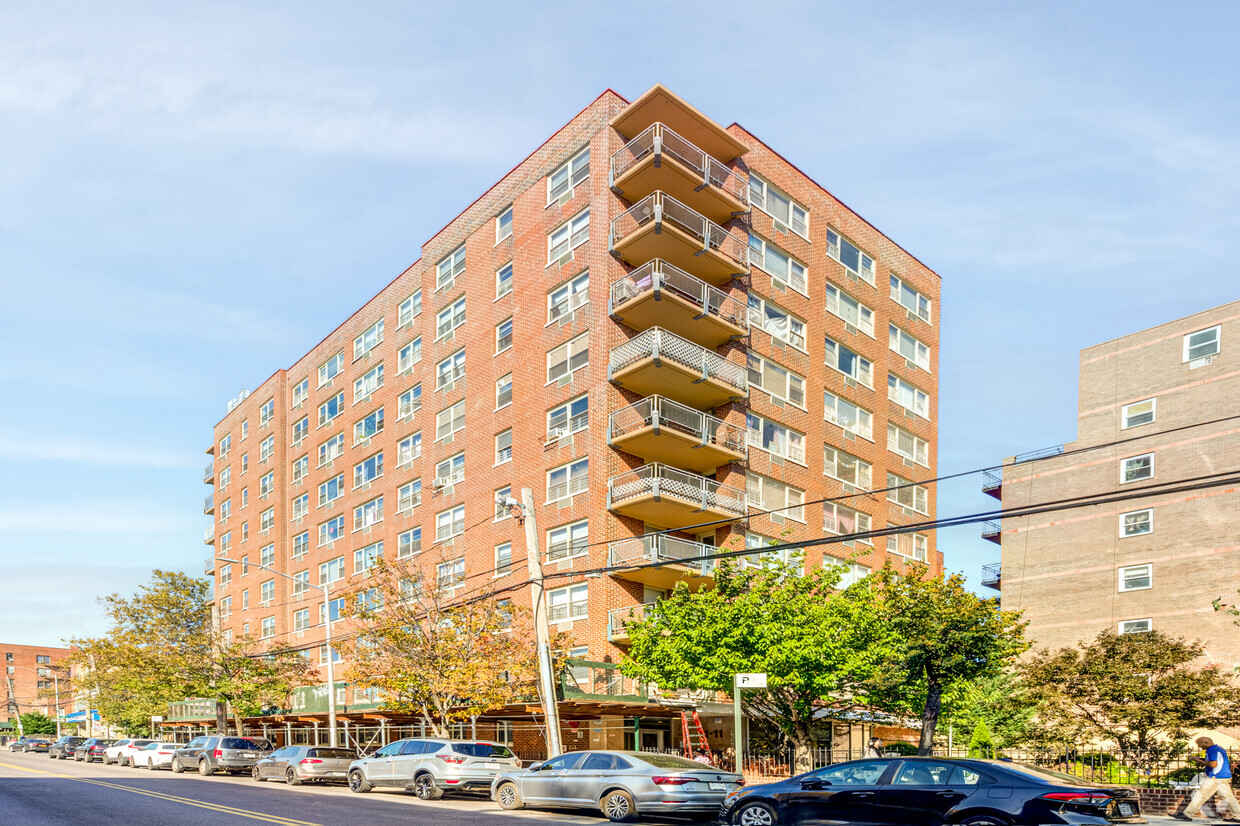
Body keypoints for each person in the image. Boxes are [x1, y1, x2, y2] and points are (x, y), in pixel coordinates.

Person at [1179, 736, 1240, 821]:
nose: (1199, 747)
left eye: (1200, 745)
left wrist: (1199, 761)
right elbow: (1213, 760)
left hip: (1215, 777)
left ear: (1206, 743)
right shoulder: (1218, 749)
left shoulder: (1212, 750)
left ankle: (1188, 814)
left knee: (1201, 795)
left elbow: (1213, 764)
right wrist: (1198, 759)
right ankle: (1238, 816)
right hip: (1224, 776)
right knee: (1228, 797)